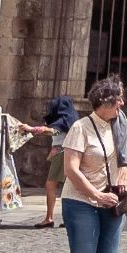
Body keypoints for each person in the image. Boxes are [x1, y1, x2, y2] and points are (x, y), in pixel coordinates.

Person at [56, 77, 127, 253]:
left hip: (112, 202)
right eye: (119, 99)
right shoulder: (81, 128)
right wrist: (97, 196)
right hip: (81, 201)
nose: (122, 104)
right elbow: (71, 170)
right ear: (106, 101)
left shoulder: (122, 125)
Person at [38, 95, 80, 228]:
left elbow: (53, 132)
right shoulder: (72, 120)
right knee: (69, 187)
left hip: (61, 154)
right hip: (69, 153)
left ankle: (49, 217)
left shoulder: (63, 120)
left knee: (50, 185)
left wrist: (31, 129)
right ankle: (68, 218)